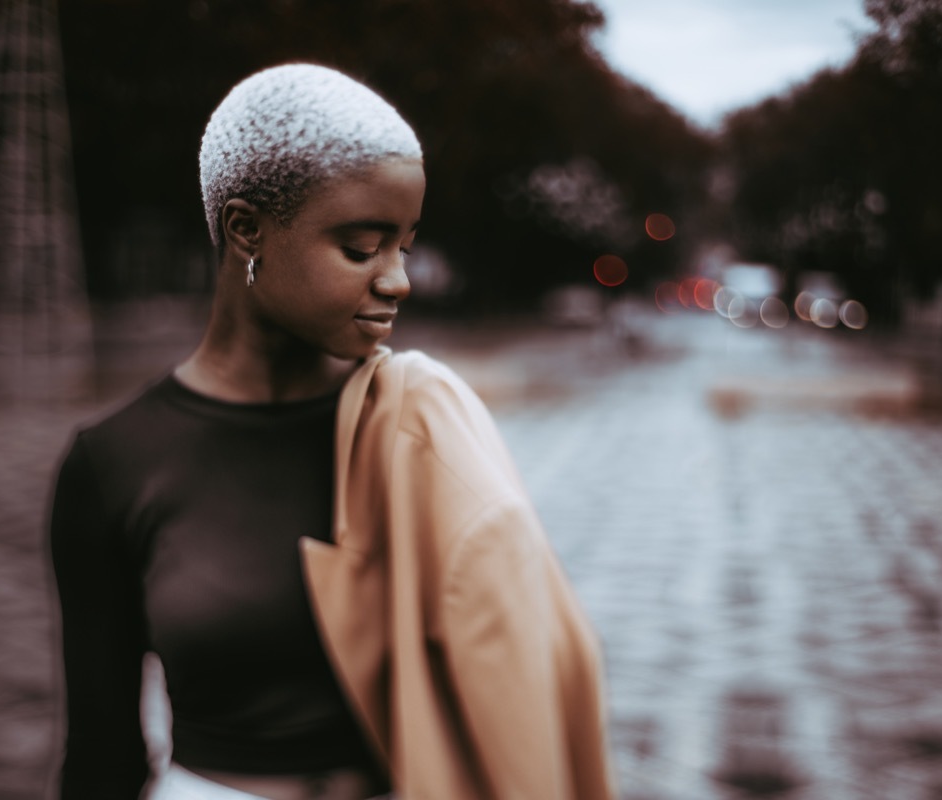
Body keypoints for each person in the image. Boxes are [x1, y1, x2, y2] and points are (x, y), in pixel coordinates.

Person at [47, 64, 614, 800]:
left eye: (404, 245)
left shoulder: (415, 425)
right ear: (247, 230)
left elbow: (532, 665)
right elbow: (101, 753)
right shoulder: (115, 464)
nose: (398, 280)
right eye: (361, 247)